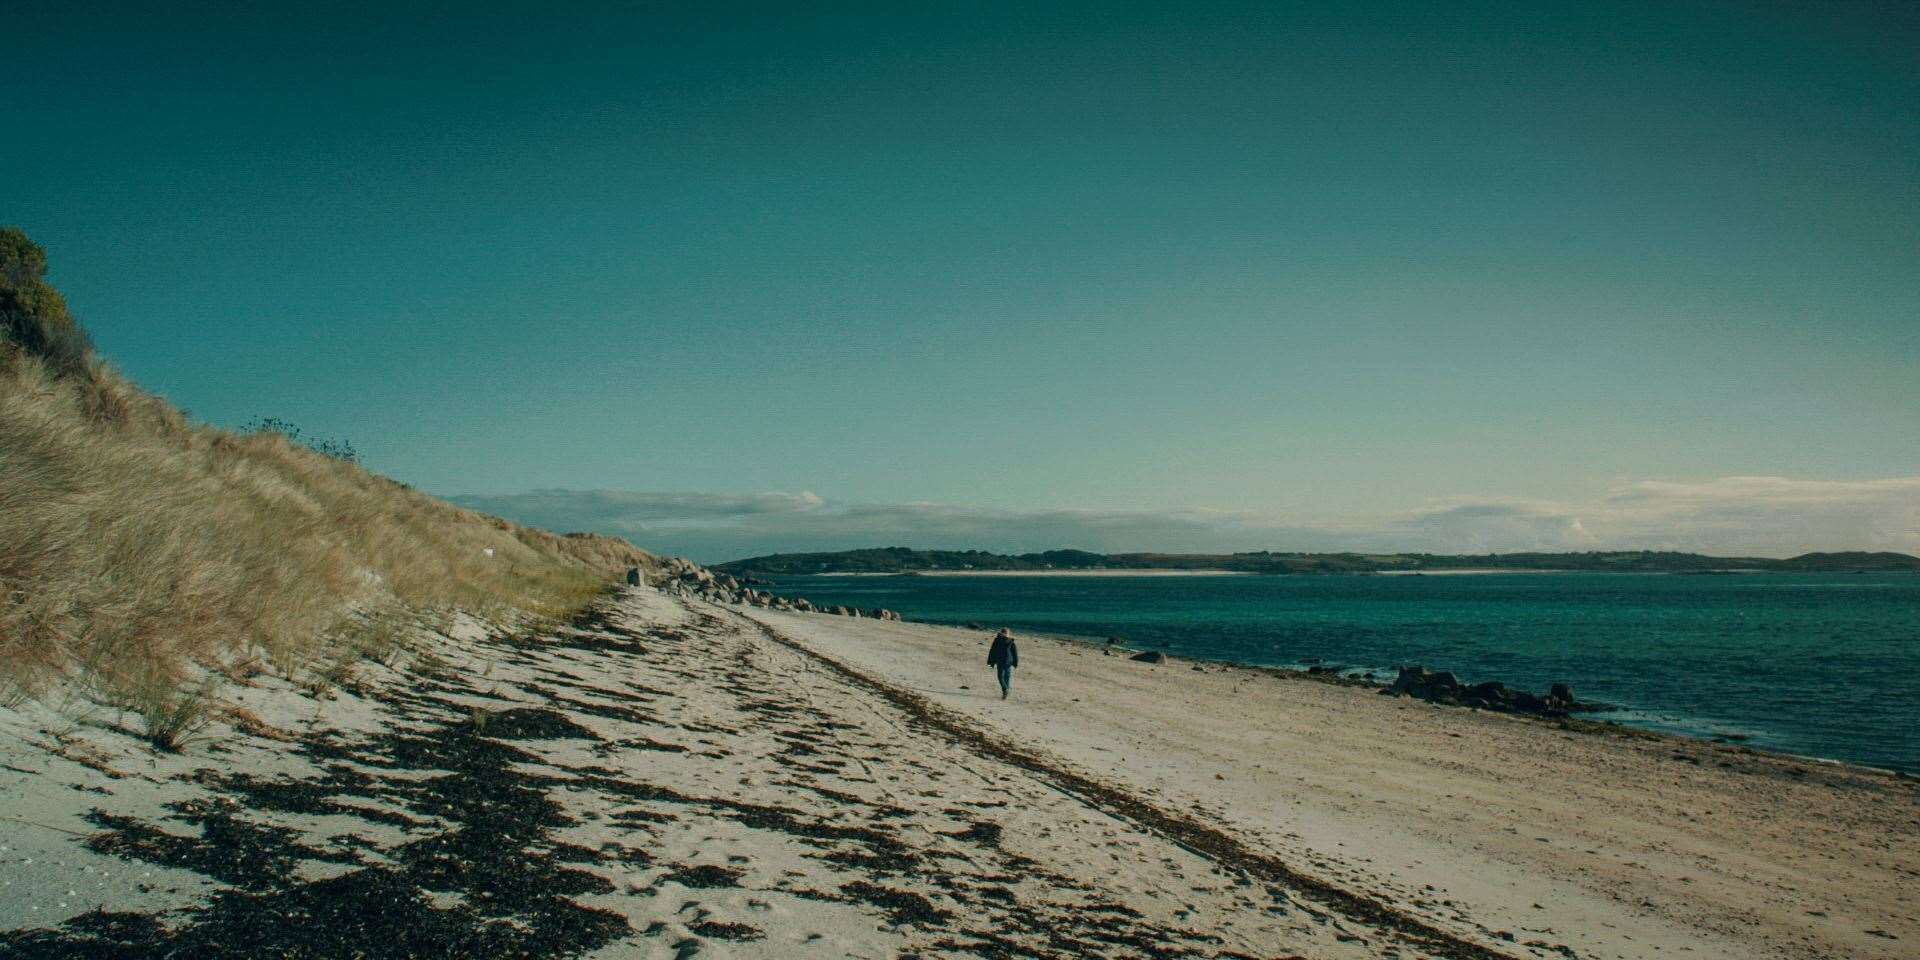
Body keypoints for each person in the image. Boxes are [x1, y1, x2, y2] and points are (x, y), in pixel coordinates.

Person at [986, 628, 1019, 699]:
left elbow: (1014, 653)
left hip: (1007, 662)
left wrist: (1015, 662)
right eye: (1006, 633)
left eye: (1007, 633)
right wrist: (990, 662)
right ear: (1002, 633)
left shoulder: (1010, 641)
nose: (1007, 634)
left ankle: (1005, 691)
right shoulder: (998, 641)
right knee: (1001, 677)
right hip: (1002, 661)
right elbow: (992, 651)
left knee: (1005, 677)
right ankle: (1005, 690)